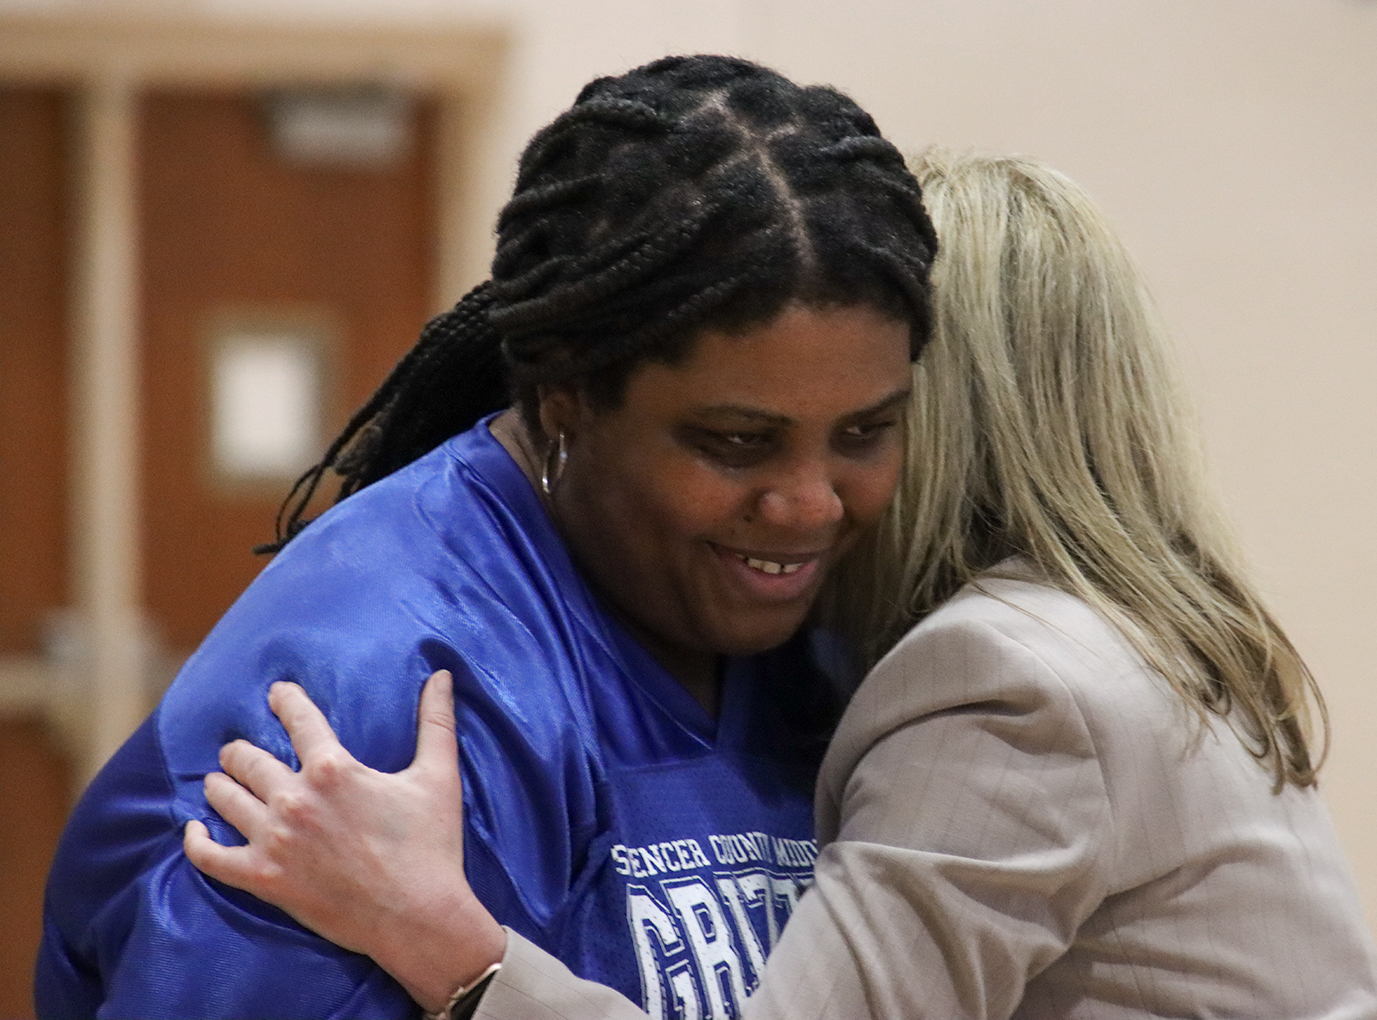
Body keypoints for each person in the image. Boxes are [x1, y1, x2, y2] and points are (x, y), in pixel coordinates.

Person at [188, 152, 1377, 1019]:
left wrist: (444, 941)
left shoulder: (1009, 678)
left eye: (862, 418)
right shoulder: (1145, 638)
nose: (808, 494)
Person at [34, 55, 939, 1020]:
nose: (810, 505)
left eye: (865, 432)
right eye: (737, 441)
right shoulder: (362, 714)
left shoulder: (831, 649)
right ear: (564, 402)